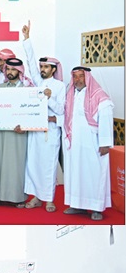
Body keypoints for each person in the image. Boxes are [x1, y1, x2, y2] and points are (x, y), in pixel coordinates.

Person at [21, 21, 65, 213]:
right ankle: (36, 197)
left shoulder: (60, 86)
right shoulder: (38, 82)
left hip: (50, 132)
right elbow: (30, 63)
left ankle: (49, 199)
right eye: (42, 66)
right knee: (33, 164)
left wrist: (49, 98)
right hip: (35, 131)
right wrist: (27, 39)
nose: (43, 69)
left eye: (46, 67)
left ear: (54, 69)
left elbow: (61, 110)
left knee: (48, 165)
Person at [62, 67, 114, 221]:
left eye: (81, 76)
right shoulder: (71, 95)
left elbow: (105, 118)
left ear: (87, 78)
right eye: (75, 77)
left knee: (94, 175)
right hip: (75, 144)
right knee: (76, 173)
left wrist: (105, 143)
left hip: (93, 145)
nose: (78, 80)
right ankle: (77, 204)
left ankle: (96, 208)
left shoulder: (99, 96)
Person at [0, 58, 34, 208]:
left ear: (19, 71)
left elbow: (32, 112)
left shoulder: (27, 90)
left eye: (13, 69)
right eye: (8, 69)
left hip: (18, 133)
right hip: (1, 132)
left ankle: (17, 197)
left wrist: (25, 127)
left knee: (15, 163)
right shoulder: (0, 88)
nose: (10, 72)